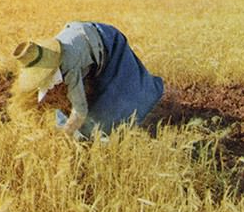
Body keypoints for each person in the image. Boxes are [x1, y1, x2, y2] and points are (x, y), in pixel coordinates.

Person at [12, 21, 164, 139]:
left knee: (114, 107)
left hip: (108, 42)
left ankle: (151, 97)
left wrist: (64, 135)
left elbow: (80, 110)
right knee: (67, 119)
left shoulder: (70, 66)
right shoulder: (45, 57)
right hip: (83, 37)